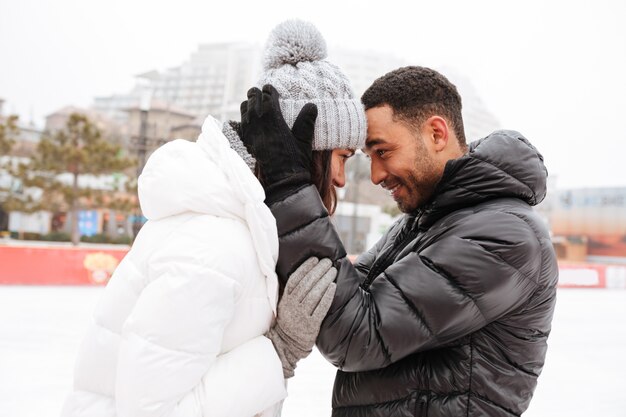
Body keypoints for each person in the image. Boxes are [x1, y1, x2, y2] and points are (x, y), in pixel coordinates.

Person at [61, 20, 366, 417]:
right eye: (341, 158)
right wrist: (279, 351)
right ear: (307, 149)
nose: (342, 178)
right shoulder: (214, 245)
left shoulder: (241, 227)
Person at [241, 66, 559, 416]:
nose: (375, 175)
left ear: (436, 134)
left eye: (383, 151)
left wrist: (290, 186)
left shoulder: (505, 236)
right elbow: (344, 289)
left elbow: (358, 334)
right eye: (368, 157)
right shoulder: (426, 220)